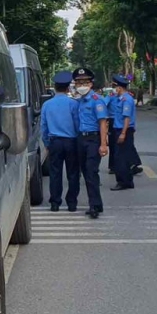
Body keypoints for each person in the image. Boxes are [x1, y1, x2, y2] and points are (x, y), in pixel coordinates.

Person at [40, 71, 80, 212]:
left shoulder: (47, 105)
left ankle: (55, 203)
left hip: (54, 142)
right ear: (68, 88)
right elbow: (77, 124)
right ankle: (72, 203)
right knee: (73, 173)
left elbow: (43, 126)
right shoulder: (73, 104)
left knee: (55, 173)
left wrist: (46, 143)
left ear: (55, 87)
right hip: (71, 142)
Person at [72, 67, 109, 219]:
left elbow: (103, 123)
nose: (81, 85)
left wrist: (103, 144)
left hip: (93, 140)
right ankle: (97, 204)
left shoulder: (97, 101)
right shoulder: (79, 101)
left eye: (84, 82)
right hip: (81, 139)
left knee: (91, 171)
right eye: (78, 82)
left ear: (91, 84)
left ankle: (94, 206)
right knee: (86, 172)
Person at [111, 74, 138, 191]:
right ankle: (128, 181)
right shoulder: (120, 99)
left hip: (124, 130)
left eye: (114, 87)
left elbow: (126, 118)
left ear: (119, 88)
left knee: (120, 158)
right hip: (121, 130)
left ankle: (122, 182)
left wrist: (123, 133)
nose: (114, 89)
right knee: (123, 157)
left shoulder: (126, 99)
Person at [103, 84, 119, 175]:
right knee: (113, 144)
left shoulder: (123, 97)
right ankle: (113, 166)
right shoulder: (111, 96)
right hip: (113, 121)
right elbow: (104, 104)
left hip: (121, 120)